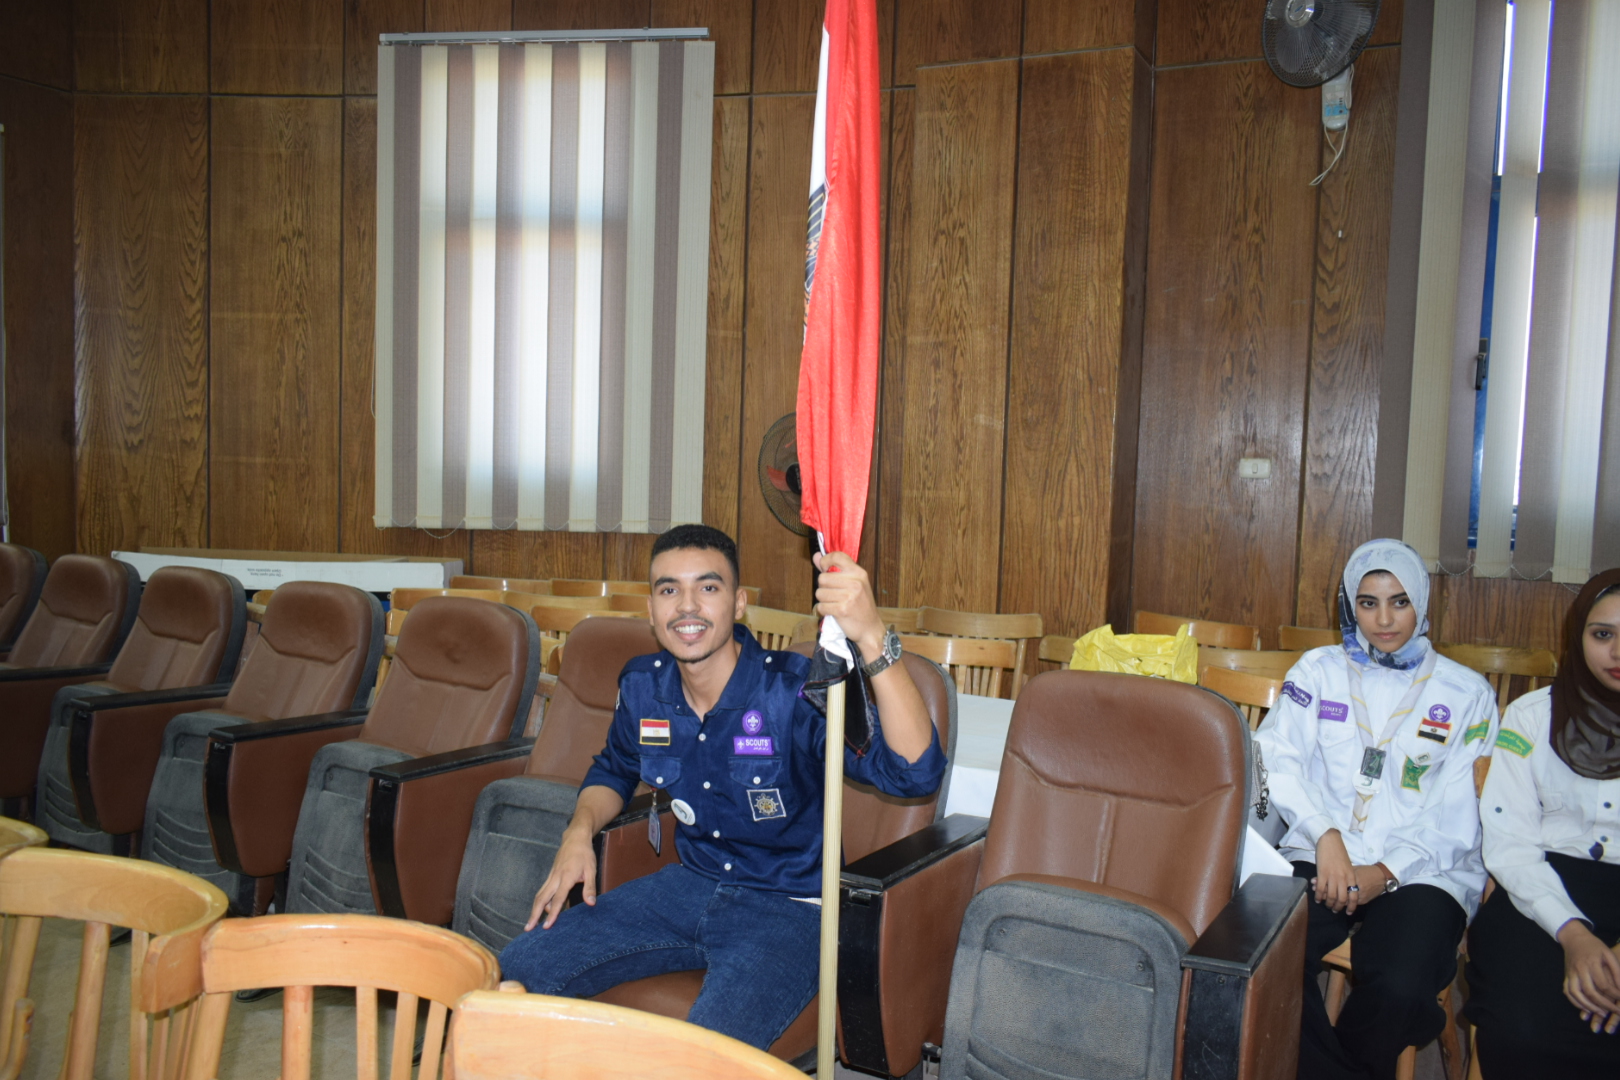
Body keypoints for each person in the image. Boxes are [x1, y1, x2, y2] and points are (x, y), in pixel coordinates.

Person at [496, 524, 945, 1050]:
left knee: (705, 1055)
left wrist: (871, 637)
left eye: (707, 587)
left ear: (739, 604)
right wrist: (578, 834)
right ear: (651, 609)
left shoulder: (795, 690)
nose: (687, 606)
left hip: (791, 907)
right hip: (688, 885)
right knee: (518, 967)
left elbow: (913, 773)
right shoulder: (643, 686)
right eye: (669, 589)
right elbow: (614, 769)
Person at [1255, 539, 1498, 1080]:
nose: (1384, 620)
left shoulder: (1467, 693)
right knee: (1258, 957)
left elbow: (1459, 817)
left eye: (1400, 601)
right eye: (1368, 603)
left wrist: (1385, 872)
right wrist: (1324, 834)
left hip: (1423, 872)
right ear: (1350, 605)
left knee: (1402, 985)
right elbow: (1275, 757)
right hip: (1323, 855)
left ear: (1422, 603)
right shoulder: (1318, 671)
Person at [1464, 568, 1620, 1079]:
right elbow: (1510, 843)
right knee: (1520, 1030)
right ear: (1577, 636)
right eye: (1603, 634)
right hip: (1539, 886)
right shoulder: (1531, 717)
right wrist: (1573, 935)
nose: (1618, 652)